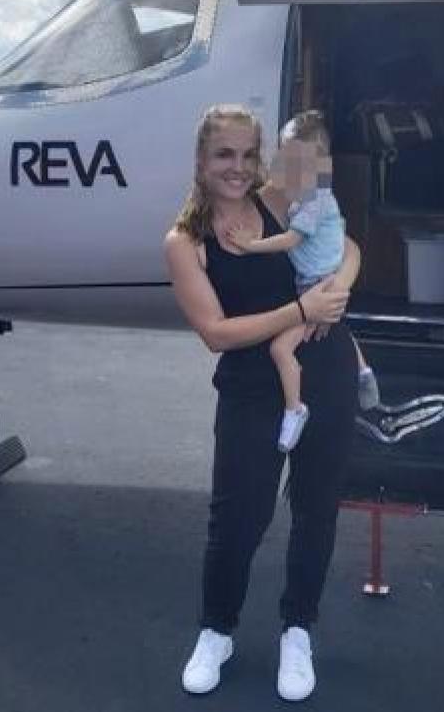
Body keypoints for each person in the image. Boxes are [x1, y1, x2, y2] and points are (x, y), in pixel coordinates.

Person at [163, 104, 361, 702]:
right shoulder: (186, 242)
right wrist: (303, 310)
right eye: (225, 155)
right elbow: (217, 333)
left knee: (315, 511)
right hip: (251, 390)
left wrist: (338, 291)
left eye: (249, 155)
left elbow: (349, 243)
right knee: (237, 519)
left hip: (326, 372)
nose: (238, 168)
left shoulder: (279, 200)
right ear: (201, 161)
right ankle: (216, 631)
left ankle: (297, 630)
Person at [225, 111, 380, 453]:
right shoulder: (285, 200)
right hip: (270, 364)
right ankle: (361, 372)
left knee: (283, 348)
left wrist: (335, 289)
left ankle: (297, 409)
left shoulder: (310, 200)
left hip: (321, 327)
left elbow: (345, 247)